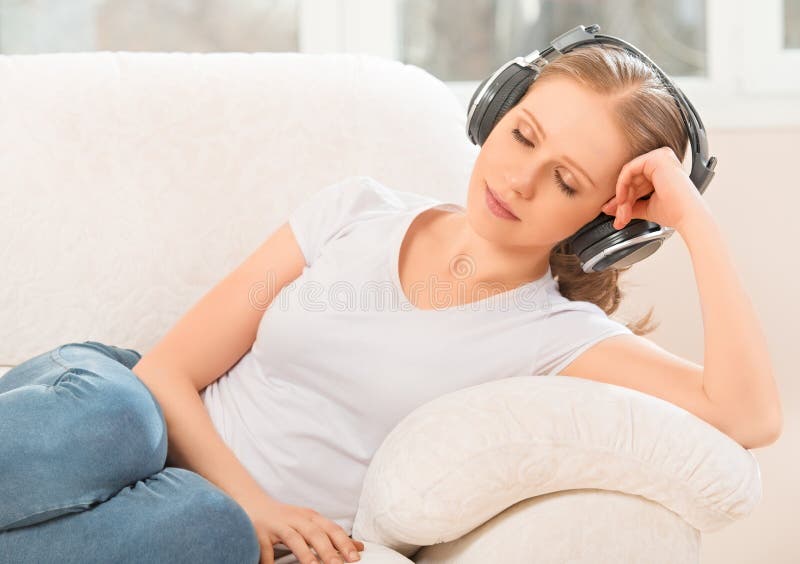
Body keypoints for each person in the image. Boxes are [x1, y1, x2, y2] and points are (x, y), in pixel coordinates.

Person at [0, 43, 782, 564]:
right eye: (522, 136)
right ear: (493, 113)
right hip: (116, 416)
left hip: (186, 521)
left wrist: (691, 217)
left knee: (213, 534)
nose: (517, 179)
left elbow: (747, 417)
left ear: (608, 225)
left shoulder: (557, 336)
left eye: (568, 181)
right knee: (122, 418)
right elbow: (168, 373)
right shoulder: (355, 212)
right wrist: (260, 504)